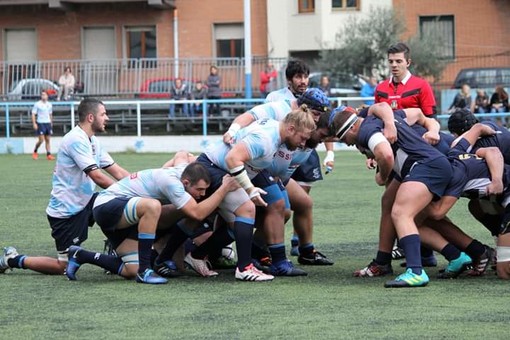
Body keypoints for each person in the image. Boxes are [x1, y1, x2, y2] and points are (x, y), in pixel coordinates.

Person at [0, 98, 130, 276]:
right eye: (103, 114)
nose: (107, 118)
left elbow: (118, 172)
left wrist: (140, 186)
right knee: (62, 266)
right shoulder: (75, 140)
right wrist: (125, 191)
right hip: (67, 211)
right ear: (91, 117)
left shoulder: (93, 141)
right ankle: (11, 259)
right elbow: (98, 176)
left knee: (123, 205)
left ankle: (115, 248)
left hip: (86, 202)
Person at [331, 105, 454, 288]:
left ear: (352, 127)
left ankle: (416, 271)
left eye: (344, 138)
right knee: (389, 201)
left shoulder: (365, 130)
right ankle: (383, 261)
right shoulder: (379, 118)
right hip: (425, 163)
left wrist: (382, 176)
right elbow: (397, 110)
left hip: (425, 165)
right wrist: (389, 123)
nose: (348, 144)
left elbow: (386, 155)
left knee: (401, 213)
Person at [64, 159, 239, 284]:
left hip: (127, 216)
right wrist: (224, 188)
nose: (202, 194)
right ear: (186, 182)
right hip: (107, 205)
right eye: (199, 190)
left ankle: (81, 255)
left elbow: (184, 155)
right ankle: (145, 270)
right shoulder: (172, 182)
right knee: (153, 206)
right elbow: (196, 213)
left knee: (130, 270)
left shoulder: (185, 174)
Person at [192, 107, 316, 280]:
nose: (303, 144)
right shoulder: (265, 139)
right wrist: (249, 189)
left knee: (272, 206)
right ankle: (244, 268)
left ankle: (197, 255)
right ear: (291, 129)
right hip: (215, 168)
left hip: (244, 169)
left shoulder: (276, 129)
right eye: (302, 138)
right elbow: (232, 159)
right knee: (246, 209)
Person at [266, 61, 336, 256]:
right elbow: (259, 121)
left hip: (301, 154)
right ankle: (262, 251)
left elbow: (326, 128)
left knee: (303, 201)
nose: (303, 81)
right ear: (289, 80)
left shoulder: (317, 99)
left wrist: (330, 153)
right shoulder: (276, 100)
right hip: (275, 157)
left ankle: (302, 246)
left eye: (305, 76)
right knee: (281, 207)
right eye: (298, 77)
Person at [374, 42, 437, 117]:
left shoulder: (422, 86)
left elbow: (431, 118)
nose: (394, 65)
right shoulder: (380, 88)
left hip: (414, 128)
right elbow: (375, 117)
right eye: (391, 61)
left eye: (398, 61)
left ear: (408, 62)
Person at [31, 90, 55, 160]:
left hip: (47, 123)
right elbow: (33, 114)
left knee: (48, 139)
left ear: (47, 96)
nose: (43, 96)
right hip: (40, 123)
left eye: (44, 95)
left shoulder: (49, 104)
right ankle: (35, 151)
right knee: (41, 140)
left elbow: (50, 114)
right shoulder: (37, 104)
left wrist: (51, 122)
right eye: (42, 95)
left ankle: (48, 154)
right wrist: (34, 123)